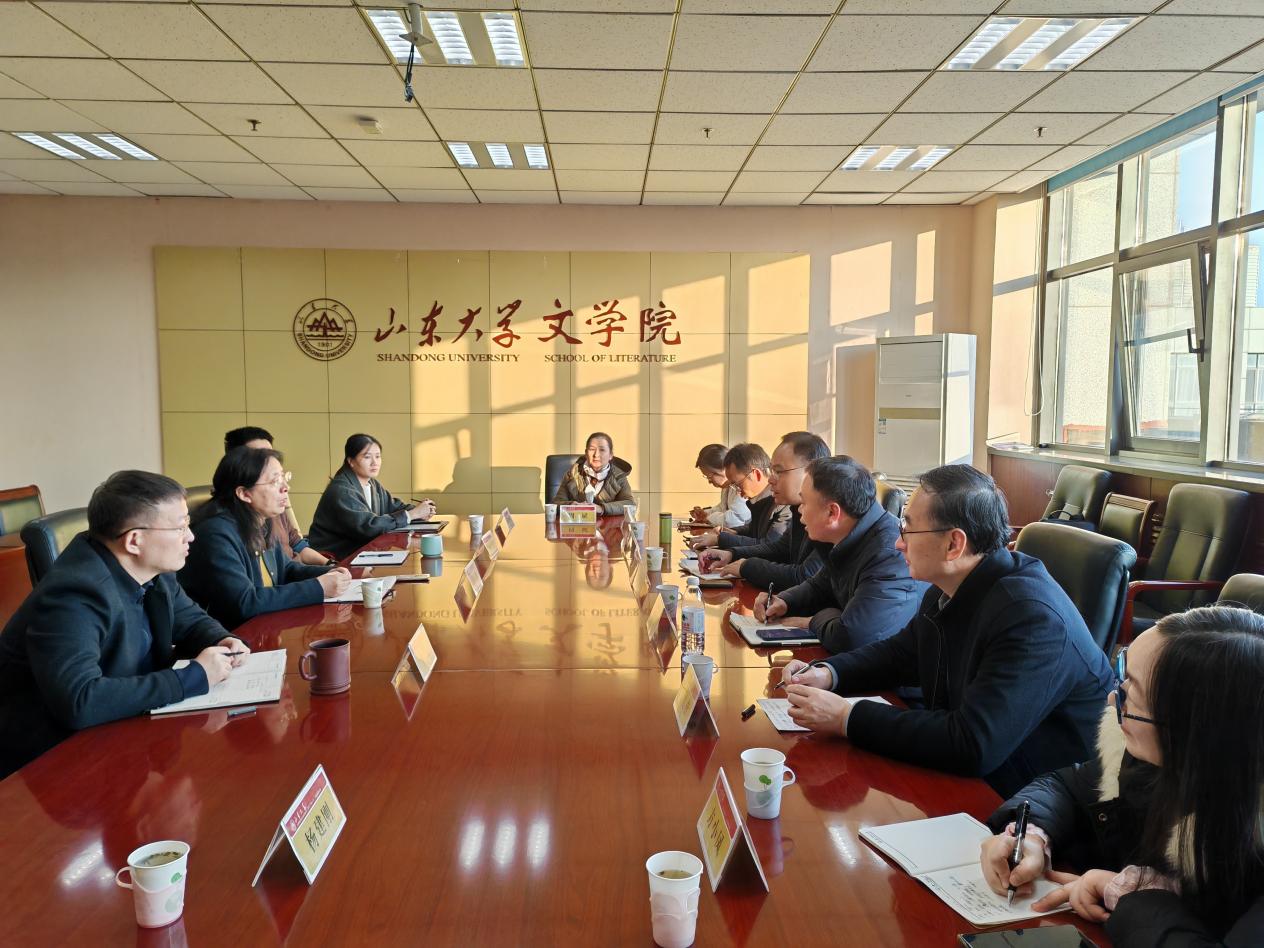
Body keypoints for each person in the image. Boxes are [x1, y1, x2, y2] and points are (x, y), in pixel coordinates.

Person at [780, 464, 1114, 797]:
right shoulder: (950, 587)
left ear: (954, 544)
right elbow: (901, 654)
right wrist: (828, 673)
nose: (898, 543)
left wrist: (846, 717)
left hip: (1034, 799)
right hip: (978, 774)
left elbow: (973, 742)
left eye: (908, 530)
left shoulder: (1032, 618)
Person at [979, 606, 1264, 946]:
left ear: (1193, 732)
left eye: (1132, 694)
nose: (1113, 697)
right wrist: (1032, 836)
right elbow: (1066, 787)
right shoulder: (1147, 758)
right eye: (1121, 675)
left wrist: (1128, 894)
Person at [0, 471, 248, 777]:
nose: (191, 536)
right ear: (134, 540)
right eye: (180, 527)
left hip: (119, 730)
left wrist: (221, 639)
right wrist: (192, 678)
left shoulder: (153, 570)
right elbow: (79, 700)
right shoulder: (74, 594)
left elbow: (189, 619)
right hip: (50, 762)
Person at [749, 454, 924, 648]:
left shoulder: (889, 554)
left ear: (832, 512)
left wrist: (814, 620)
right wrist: (784, 601)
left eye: (804, 503)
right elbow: (820, 586)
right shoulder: (850, 534)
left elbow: (851, 637)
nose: (799, 510)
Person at [179, 448, 351, 629]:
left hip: (266, 625)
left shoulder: (261, 520)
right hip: (231, 636)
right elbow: (244, 602)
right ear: (244, 493)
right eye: (275, 481)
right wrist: (318, 587)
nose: (286, 488)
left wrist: (330, 573)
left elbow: (286, 570)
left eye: (284, 477)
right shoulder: (216, 534)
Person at [699, 432, 831, 594]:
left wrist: (746, 566)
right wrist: (732, 554)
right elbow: (780, 548)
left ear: (811, 473)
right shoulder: (796, 509)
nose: (770, 480)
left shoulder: (830, 517)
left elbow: (804, 576)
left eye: (779, 472)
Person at [307, 433, 436, 560]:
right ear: (351, 461)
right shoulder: (342, 490)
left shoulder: (372, 483)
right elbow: (368, 527)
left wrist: (421, 511)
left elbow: (394, 507)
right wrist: (413, 514)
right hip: (333, 559)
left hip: (362, 552)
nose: (375, 462)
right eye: (367, 457)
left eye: (378, 456)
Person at [223, 426, 331, 567]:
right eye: (259, 456)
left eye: (271, 454)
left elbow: (297, 545)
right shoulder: (226, 530)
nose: (285, 487)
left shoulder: (270, 507)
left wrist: (330, 565)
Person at [691, 443, 790, 550]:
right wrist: (734, 532)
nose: (739, 493)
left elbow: (769, 547)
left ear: (756, 475)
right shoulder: (760, 499)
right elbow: (754, 530)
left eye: (779, 472)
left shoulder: (783, 503)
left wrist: (721, 539)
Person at [552, 431, 636, 515]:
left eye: (602, 450)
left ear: (610, 455)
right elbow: (556, 503)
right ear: (586, 453)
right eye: (592, 449)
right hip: (579, 522)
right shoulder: (572, 474)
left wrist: (602, 508)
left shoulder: (618, 476)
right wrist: (571, 505)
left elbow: (630, 504)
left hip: (607, 523)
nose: (596, 455)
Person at [689, 443, 751, 529]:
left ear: (724, 469)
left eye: (709, 476)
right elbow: (723, 508)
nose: (709, 482)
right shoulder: (728, 486)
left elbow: (735, 520)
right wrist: (706, 513)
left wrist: (708, 518)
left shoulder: (741, 486)